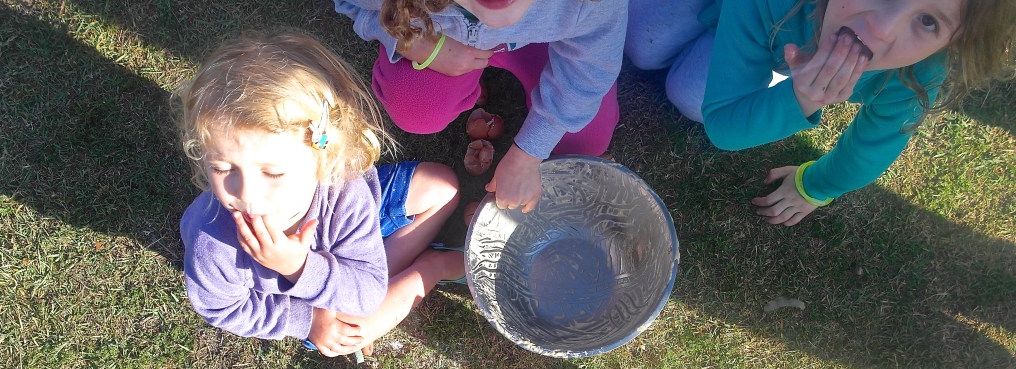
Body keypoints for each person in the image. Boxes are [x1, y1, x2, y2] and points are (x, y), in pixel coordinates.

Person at [177, 31, 463, 357]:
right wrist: (306, 314)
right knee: (348, 330)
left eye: (272, 172)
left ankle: (364, 272)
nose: (247, 193)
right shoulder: (212, 241)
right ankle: (433, 268)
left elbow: (368, 292)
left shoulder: (346, 191)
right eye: (223, 168)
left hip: (345, 228)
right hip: (313, 303)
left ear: (325, 158)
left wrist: (305, 267)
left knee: (442, 187)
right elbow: (224, 308)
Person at [625, 0, 1016, 225]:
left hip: (759, 29)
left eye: (928, 21)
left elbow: (871, 149)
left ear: (954, 43)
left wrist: (815, 185)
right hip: (746, 10)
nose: (881, 28)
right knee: (641, 46)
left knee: (687, 94)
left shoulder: (918, 73)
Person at [333, 0, 628, 212]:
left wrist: (528, 154)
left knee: (585, 140)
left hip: (543, 39)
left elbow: (588, 70)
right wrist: (419, 45)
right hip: (440, 37)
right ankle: (464, 83)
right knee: (418, 107)